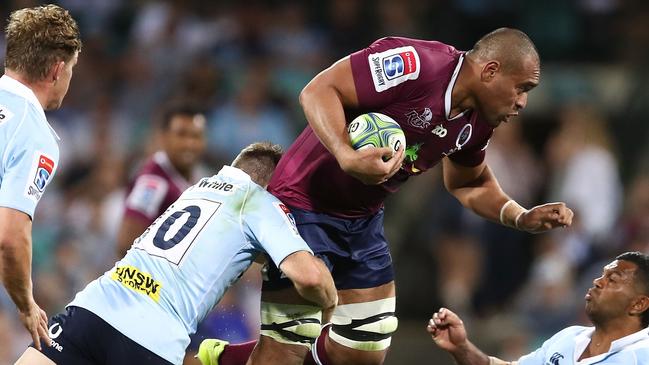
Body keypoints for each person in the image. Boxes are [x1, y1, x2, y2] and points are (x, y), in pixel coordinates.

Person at [198, 28, 574, 365]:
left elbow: (468, 183)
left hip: (362, 221)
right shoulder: (416, 63)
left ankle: (226, 359)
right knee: (287, 350)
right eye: (522, 87)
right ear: (490, 71)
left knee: (361, 351)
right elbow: (318, 90)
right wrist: (345, 154)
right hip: (303, 205)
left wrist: (520, 216)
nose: (522, 103)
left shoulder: (477, 123)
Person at [14, 142, 338, 365]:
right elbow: (307, 276)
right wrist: (331, 305)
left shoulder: (197, 189)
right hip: (151, 341)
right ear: (275, 185)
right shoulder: (260, 202)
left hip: (93, 309)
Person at [0, 4, 81, 350]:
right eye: (73, 69)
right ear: (56, 70)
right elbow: (10, 237)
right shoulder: (35, 137)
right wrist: (27, 305)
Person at [428, 251, 649, 364]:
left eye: (613, 279)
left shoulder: (642, 356)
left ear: (639, 303)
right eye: (602, 275)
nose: (598, 281)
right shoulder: (569, 338)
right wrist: (462, 348)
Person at [117, 102, 207, 257]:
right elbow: (126, 243)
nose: (189, 143)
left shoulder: (199, 176)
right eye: (181, 135)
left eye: (195, 136)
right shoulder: (153, 182)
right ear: (163, 137)